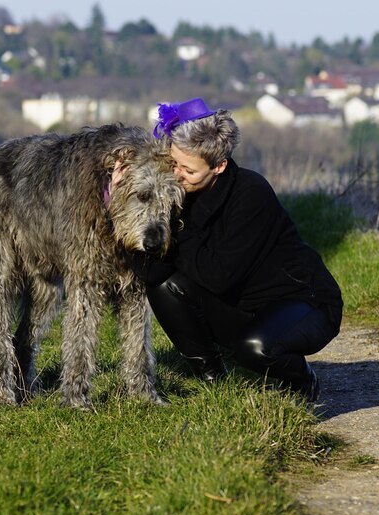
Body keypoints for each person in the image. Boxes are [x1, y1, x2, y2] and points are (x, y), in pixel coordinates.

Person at [124, 97, 343, 402]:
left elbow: (218, 276)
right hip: (242, 305)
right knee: (163, 286)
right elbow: (151, 270)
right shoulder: (177, 192)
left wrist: (174, 232)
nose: (177, 175)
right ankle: (214, 381)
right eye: (173, 164)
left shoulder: (251, 193)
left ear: (219, 166)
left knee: (255, 348)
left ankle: (302, 383)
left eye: (188, 170)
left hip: (302, 302)